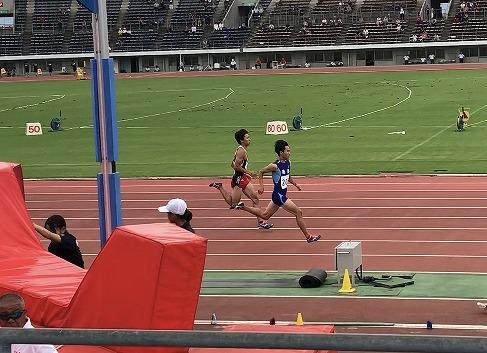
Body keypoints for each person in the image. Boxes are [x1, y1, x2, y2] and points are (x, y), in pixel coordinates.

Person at [232, 140, 321, 243]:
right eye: (287, 151)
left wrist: (295, 184)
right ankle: (308, 237)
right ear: (281, 152)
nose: (289, 153)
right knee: (298, 212)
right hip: (278, 196)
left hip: (279, 195)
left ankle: (243, 207)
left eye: (289, 150)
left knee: (265, 215)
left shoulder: (288, 162)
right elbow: (261, 172)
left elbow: (287, 175)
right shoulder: (274, 166)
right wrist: (261, 186)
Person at [209, 129, 273, 230]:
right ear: (242, 140)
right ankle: (220, 187)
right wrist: (248, 172)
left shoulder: (242, 150)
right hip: (238, 179)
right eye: (247, 138)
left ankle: (261, 222)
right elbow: (236, 167)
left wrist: (245, 174)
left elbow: (232, 164)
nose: (249, 139)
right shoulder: (241, 151)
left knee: (255, 198)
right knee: (233, 204)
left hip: (242, 177)